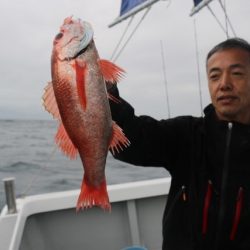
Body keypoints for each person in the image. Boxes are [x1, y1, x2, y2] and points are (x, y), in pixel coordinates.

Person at [108, 38, 250, 250]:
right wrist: (106, 97)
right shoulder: (187, 135)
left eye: (236, 73)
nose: (224, 84)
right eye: (214, 76)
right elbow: (133, 139)